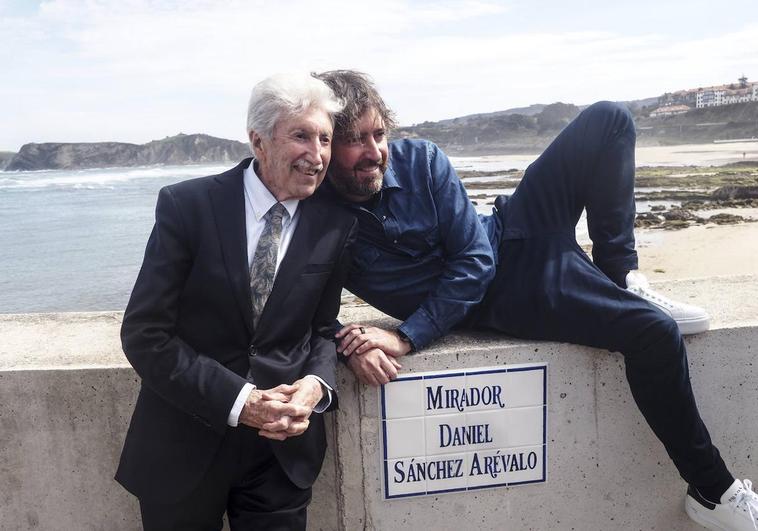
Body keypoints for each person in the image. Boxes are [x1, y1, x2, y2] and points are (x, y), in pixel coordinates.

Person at [315, 69, 758, 531]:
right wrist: (357, 344)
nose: (374, 152)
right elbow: (307, 309)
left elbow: (473, 257)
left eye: (379, 133)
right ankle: (711, 490)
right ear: (326, 146)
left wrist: (407, 336)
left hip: (514, 227)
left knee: (609, 119)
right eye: (354, 140)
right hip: (512, 292)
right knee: (654, 333)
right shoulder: (318, 224)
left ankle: (619, 277)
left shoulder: (423, 159)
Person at [115, 73, 357, 530]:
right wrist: (240, 400)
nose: (318, 154)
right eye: (301, 136)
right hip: (183, 445)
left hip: (281, 455)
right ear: (258, 141)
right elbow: (145, 334)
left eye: (324, 138)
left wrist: (315, 386)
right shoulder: (187, 206)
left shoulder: (336, 223)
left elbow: (322, 328)